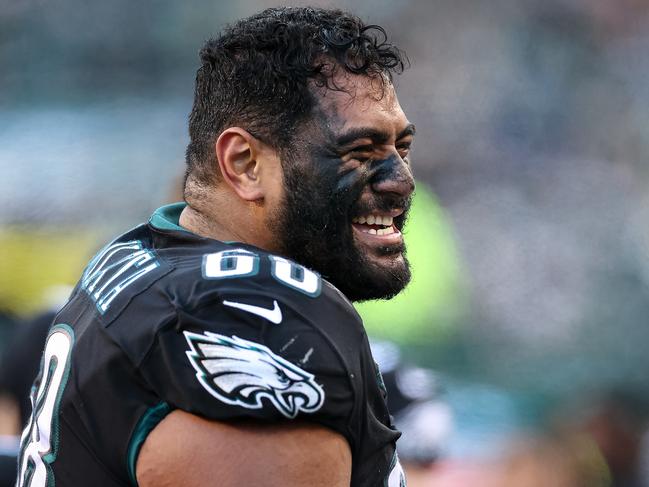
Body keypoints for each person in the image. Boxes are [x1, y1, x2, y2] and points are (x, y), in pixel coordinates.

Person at [16, 7, 416, 486]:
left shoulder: (141, 255)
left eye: (401, 148)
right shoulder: (257, 312)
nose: (401, 180)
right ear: (245, 163)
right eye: (360, 151)